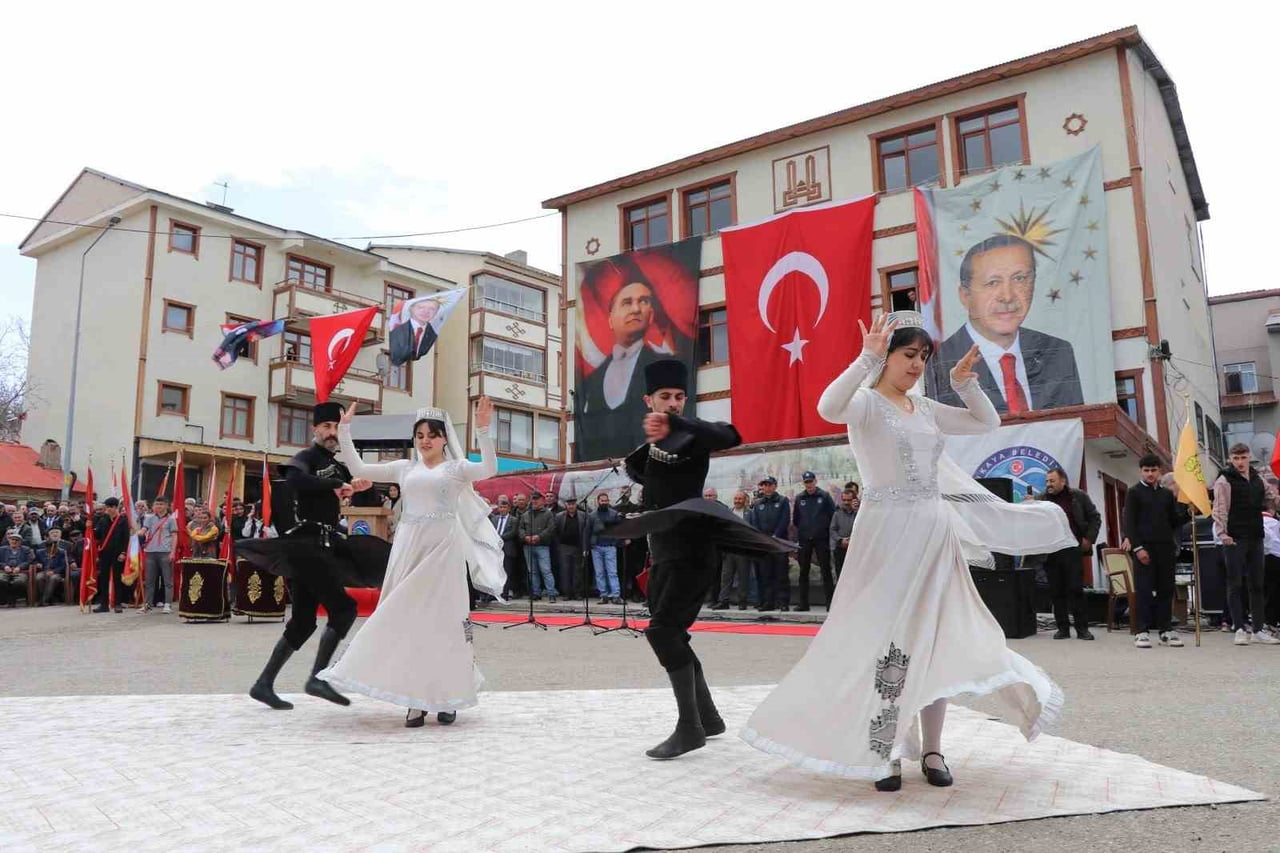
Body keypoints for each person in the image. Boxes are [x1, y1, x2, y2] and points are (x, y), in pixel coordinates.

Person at [743, 311, 1076, 791]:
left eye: (923, 356)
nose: (917, 364)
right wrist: (865, 358)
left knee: (933, 637)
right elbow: (827, 407)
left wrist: (964, 384)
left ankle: (934, 749)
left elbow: (987, 421)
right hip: (885, 530)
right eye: (908, 354)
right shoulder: (866, 405)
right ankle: (887, 750)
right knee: (889, 641)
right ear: (888, 356)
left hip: (933, 528)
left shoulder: (925, 410)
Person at [607, 358, 792, 760]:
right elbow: (643, 477)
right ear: (648, 400)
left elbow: (732, 433)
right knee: (672, 632)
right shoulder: (650, 447)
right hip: (662, 552)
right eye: (664, 398)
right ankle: (707, 718)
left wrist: (678, 424)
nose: (672, 404)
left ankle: (690, 728)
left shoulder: (693, 434)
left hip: (692, 550)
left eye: (678, 398)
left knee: (663, 632)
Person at [317, 398, 505, 727]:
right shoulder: (405, 468)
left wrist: (484, 429)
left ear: (445, 438)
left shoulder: (456, 469)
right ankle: (414, 701)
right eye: (419, 435)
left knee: (444, 623)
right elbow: (360, 469)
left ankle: (448, 696)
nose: (425, 440)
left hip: (443, 550)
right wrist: (345, 431)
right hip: (408, 547)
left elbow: (489, 469)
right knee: (404, 619)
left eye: (432, 434)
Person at [240, 401, 392, 711]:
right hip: (305, 545)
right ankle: (317, 678)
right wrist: (336, 486)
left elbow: (355, 491)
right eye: (327, 427)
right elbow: (294, 480)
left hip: (321, 545)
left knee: (304, 622)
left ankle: (263, 684)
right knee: (345, 609)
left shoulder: (338, 465)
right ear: (315, 430)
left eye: (337, 427)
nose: (332, 433)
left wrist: (358, 487)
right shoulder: (306, 457)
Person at [928, 235, 1084, 414]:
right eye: (993, 283)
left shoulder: (1057, 352)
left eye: (1019, 279)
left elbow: (1075, 430)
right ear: (965, 295)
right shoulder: (941, 362)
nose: (1007, 296)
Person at [576, 270, 672, 462]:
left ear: (651, 316)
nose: (636, 309)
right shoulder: (591, 380)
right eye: (627, 302)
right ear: (610, 319)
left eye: (644, 301)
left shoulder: (664, 367)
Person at [1212, 443, 1280, 646]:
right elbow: (1219, 508)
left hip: (1256, 536)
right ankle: (1239, 628)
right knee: (1235, 584)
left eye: (1243, 458)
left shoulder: (1258, 479)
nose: (1240, 462)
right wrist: (1222, 532)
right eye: (1236, 458)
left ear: (1249, 457)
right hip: (1234, 537)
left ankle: (1258, 629)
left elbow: (1273, 499)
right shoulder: (1224, 480)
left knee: (1257, 584)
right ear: (1230, 459)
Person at [1121, 454, 1191, 649]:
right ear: (1141, 471)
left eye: (1153, 470)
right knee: (1143, 591)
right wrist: (1138, 548)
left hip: (1165, 548)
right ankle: (1141, 631)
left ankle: (1166, 630)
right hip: (1144, 549)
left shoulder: (1167, 495)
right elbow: (1129, 524)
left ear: (1159, 471)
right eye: (1146, 470)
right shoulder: (1134, 492)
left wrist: (1188, 512)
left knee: (1166, 590)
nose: (1150, 474)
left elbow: (1174, 521)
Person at [1033, 468, 1101, 641]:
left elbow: (1095, 518)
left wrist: (1088, 539)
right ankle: (1062, 629)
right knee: (1056, 591)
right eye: (1047, 481)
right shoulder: (1040, 500)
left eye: (1052, 481)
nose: (1049, 484)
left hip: (1073, 549)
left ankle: (1082, 629)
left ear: (1063, 481)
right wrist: (1029, 506)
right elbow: (1032, 523)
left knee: (1075, 589)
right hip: (1051, 551)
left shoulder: (1078, 497)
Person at [793, 472, 836, 611]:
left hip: (821, 539)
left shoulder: (824, 496)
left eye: (811, 481)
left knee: (826, 571)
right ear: (803, 483)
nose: (809, 484)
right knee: (803, 571)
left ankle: (831, 603)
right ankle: (803, 604)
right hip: (805, 540)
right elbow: (796, 519)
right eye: (806, 482)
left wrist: (821, 529)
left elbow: (832, 516)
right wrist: (805, 531)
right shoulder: (800, 498)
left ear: (815, 481)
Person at [751, 477, 791, 611]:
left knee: (781, 574)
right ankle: (768, 602)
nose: (767, 488)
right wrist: (763, 539)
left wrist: (775, 537)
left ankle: (783, 603)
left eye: (769, 485)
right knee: (765, 574)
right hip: (765, 545)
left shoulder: (783, 501)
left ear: (775, 486)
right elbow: (755, 523)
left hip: (779, 543)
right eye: (764, 485)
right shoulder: (757, 504)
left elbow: (784, 521)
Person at [712, 491, 757, 611]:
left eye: (740, 499)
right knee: (726, 577)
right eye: (736, 498)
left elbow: (754, 531)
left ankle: (742, 602)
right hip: (729, 550)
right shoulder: (728, 513)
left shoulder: (750, 514)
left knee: (743, 577)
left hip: (743, 550)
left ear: (745, 500)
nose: (737, 501)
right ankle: (723, 601)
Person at [92, 497, 132, 613]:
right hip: (105, 552)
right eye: (106, 507)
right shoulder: (103, 519)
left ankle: (118, 603)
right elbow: (97, 535)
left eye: (109, 507)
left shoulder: (122, 520)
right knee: (103, 578)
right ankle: (104, 604)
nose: (107, 510)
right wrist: (90, 528)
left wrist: (124, 552)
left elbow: (126, 538)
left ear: (115, 507)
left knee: (117, 578)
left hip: (118, 553)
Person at [141, 497, 179, 614]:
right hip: (150, 552)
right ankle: (147, 604)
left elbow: (174, 536)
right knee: (149, 580)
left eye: (161, 504)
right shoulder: (149, 518)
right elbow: (143, 530)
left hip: (165, 551)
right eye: (156, 504)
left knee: (167, 580)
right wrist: (137, 532)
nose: (158, 506)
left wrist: (172, 552)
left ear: (167, 505)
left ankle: (167, 604)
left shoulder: (171, 519)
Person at [518, 492, 557, 601]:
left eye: (537, 499)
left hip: (542, 546)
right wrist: (525, 537)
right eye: (533, 499)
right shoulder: (526, 514)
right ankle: (536, 593)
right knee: (532, 571)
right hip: (528, 546)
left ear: (542, 500)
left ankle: (551, 593)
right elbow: (520, 529)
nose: (534, 501)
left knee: (546, 570)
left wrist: (539, 537)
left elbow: (551, 528)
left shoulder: (548, 514)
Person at [614, 485, 647, 602]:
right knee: (622, 569)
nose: (624, 493)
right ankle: (623, 593)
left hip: (636, 545)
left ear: (630, 493)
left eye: (626, 491)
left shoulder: (635, 508)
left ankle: (636, 593)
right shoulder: (615, 509)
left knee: (636, 570)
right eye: (622, 491)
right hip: (621, 545)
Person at [552, 497, 590, 600]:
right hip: (564, 547)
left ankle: (577, 593)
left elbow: (586, 533)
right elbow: (554, 531)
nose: (571, 506)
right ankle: (567, 594)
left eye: (573, 504)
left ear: (576, 505)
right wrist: (558, 545)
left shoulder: (583, 516)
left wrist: (585, 548)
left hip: (578, 547)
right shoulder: (559, 516)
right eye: (569, 504)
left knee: (577, 572)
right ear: (566, 506)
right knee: (565, 572)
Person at [588, 493, 623, 603]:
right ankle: (603, 595)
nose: (604, 502)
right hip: (596, 547)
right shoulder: (592, 515)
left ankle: (616, 595)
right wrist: (589, 545)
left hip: (610, 546)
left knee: (612, 572)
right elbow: (588, 531)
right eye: (602, 500)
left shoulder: (614, 514)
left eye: (606, 500)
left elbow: (620, 529)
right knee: (599, 572)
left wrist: (615, 542)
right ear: (598, 501)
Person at [388, 298, 440, 365]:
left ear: (436, 313)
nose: (426, 311)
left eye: (432, 309)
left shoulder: (433, 333)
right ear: (411, 309)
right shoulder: (397, 331)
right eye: (421, 307)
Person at [490, 497, 522, 598]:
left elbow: (513, 533)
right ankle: (494, 593)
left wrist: (498, 538)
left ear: (508, 508)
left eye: (505, 507)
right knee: (495, 572)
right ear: (498, 508)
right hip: (495, 550)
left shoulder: (514, 520)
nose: (503, 509)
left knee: (507, 572)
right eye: (501, 507)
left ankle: (505, 593)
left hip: (508, 549)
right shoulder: (494, 519)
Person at [34, 529, 71, 606]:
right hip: (44, 571)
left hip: (56, 572)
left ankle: (44, 600)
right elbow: (34, 561)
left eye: (53, 547)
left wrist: (53, 571)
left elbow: (63, 565)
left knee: (53, 578)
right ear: (46, 547)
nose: (51, 549)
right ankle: (46, 598)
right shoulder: (40, 552)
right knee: (39, 577)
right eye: (49, 547)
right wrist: (37, 564)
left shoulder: (62, 552)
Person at [829, 488, 858, 582]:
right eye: (844, 500)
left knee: (855, 575)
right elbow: (832, 529)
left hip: (856, 549)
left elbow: (864, 527)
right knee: (841, 576)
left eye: (849, 500)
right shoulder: (837, 513)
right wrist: (840, 540)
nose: (846, 502)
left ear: (854, 499)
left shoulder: (860, 512)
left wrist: (857, 511)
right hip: (840, 549)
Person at [0, 529, 34, 606]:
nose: (14, 542)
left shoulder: (26, 549)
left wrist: (19, 567)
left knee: (19, 582)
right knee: (1, 580)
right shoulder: (2, 549)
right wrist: (5, 566)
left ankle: (12, 598)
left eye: (16, 540)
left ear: (20, 542)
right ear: (9, 540)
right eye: (12, 540)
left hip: (20, 571)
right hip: (4, 571)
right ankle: (6, 599)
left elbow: (28, 561)